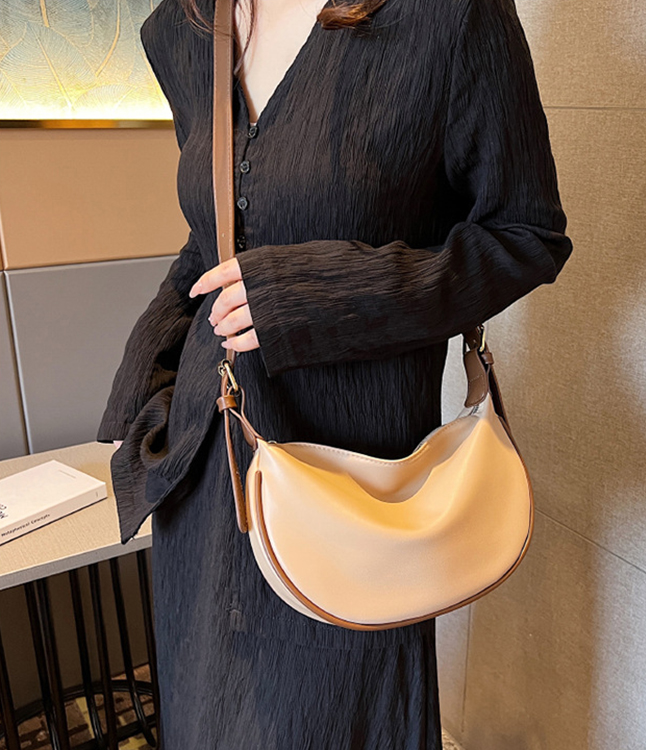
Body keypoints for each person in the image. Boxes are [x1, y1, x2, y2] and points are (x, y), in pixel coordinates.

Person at [99, 0, 573, 746]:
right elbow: (214, 237)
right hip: (206, 472)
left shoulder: (449, 16)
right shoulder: (181, 27)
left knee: (337, 720)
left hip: (349, 494)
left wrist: (323, 295)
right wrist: (144, 387)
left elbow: (527, 236)